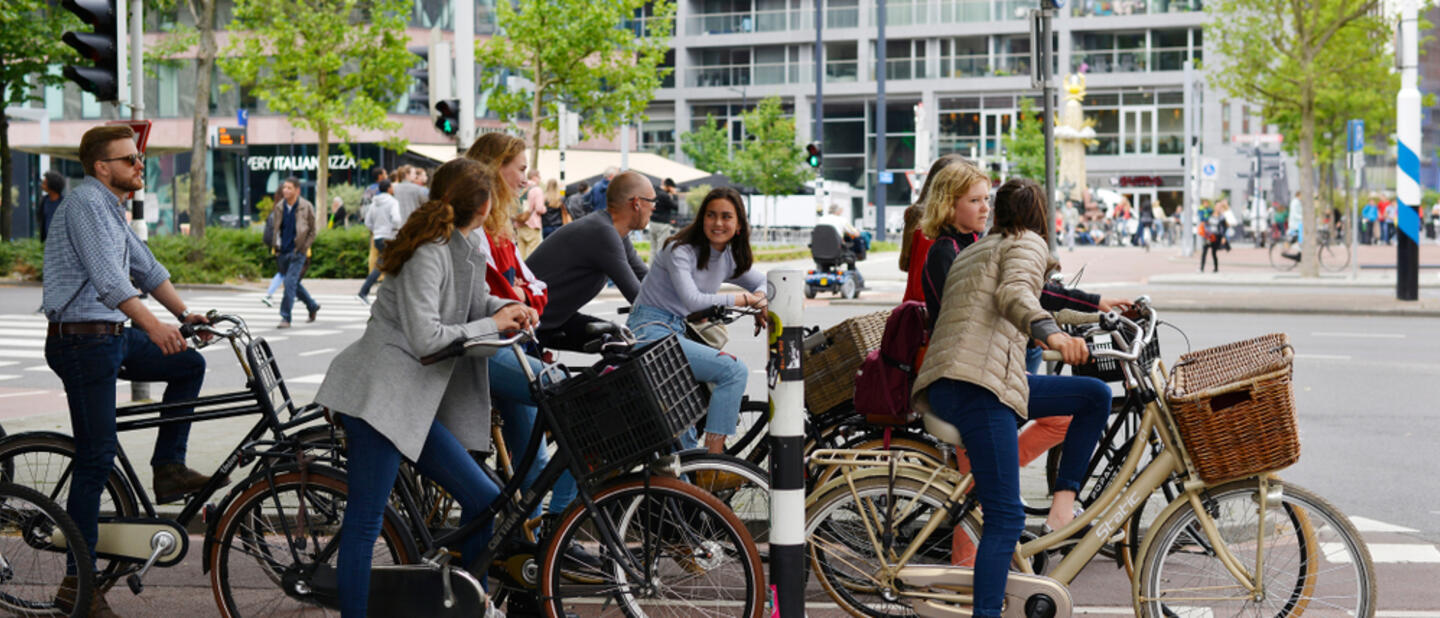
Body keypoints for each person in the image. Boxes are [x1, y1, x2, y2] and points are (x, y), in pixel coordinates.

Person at [315, 157, 527, 618]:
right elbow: (427, 336)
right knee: (365, 523)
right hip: (380, 398)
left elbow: (467, 303)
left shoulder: (464, 243)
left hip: (412, 403)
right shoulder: (430, 250)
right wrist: (492, 321)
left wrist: (506, 306)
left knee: (485, 500)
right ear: (485, 203)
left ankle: (471, 604)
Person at [43, 124, 222, 617]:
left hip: (112, 338)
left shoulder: (110, 209)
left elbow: (146, 267)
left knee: (189, 363)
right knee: (96, 458)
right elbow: (107, 279)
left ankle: (168, 468)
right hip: (82, 342)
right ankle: (77, 585)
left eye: (139, 159)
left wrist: (186, 315)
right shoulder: (84, 204)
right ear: (102, 168)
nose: (139, 166)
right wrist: (156, 325)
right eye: (130, 160)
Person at [911, 178, 1109, 618]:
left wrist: (1099, 313)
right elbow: (1016, 295)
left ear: (999, 211)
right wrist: (1051, 334)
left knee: (1093, 394)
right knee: (1004, 519)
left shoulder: (982, 248)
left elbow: (1031, 296)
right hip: (978, 386)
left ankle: (1062, 506)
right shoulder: (1027, 242)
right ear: (1040, 213)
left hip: (968, 380)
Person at [464, 133, 577, 519]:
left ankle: (535, 539)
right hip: (488, 347)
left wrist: (520, 295)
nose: (527, 180)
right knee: (566, 414)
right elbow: (503, 292)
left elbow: (533, 290)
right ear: (497, 169)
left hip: (505, 343)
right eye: (522, 169)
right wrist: (519, 296)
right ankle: (549, 536)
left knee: (529, 456)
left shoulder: (499, 226)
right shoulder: (477, 226)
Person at [627, 187, 767, 488]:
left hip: (672, 332)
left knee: (683, 442)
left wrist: (761, 300)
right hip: (649, 332)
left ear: (739, 224)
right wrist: (746, 301)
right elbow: (693, 301)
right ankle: (712, 468)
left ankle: (689, 503)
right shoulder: (680, 250)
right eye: (711, 215)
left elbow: (766, 281)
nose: (718, 223)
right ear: (701, 219)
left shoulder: (728, 256)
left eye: (726, 217)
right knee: (733, 370)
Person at [527, 171, 652, 352]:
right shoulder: (602, 232)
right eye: (652, 201)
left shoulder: (614, 232)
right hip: (529, 324)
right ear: (636, 203)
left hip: (554, 318)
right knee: (621, 346)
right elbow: (638, 297)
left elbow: (646, 277)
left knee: (618, 341)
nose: (654, 207)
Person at [900, 154, 970, 303]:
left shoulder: (917, 215)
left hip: (915, 310)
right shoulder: (934, 223)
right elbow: (924, 285)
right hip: (928, 314)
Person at [264, 177, 321, 328]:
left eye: (289, 188)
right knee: (292, 283)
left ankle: (285, 317)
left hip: (298, 251)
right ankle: (312, 306)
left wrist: (304, 247)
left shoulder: (306, 206)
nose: (285, 191)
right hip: (282, 251)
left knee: (289, 283)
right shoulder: (279, 207)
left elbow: (313, 230)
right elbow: (276, 229)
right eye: (284, 188)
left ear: (297, 190)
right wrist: (276, 247)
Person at [357, 179, 401, 305]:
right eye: (392, 187)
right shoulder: (393, 202)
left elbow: (367, 222)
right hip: (390, 237)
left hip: (377, 237)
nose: (393, 189)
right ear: (388, 189)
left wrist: (376, 230)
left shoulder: (374, 203)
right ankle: (363, 292)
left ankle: (391, 293)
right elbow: (397, 219)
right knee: (385, 265)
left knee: (390, 265)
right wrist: (394, 229)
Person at [514, 170, 545, 258]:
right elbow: (539, 209)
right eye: (539, 177)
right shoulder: (537, 190)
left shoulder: (521, 188)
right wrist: (544, 209)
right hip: (532, 225)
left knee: (521, 255)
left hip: (519, 224)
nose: (540, 179)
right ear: (534, 177)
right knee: (533, 255)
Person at [648, 178, 681, 252]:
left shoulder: (655, 191)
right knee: (661, 249)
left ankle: (652, 264)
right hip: (662, 225)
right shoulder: (665, 196)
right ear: (669, 186)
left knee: (653, 249)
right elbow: (676, 207)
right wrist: (675, 195)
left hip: (652, 222)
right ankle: (659, 264)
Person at [1198, 203, 1228, 272]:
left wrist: (1223, 237)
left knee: (1214, 253)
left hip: (1215, 237)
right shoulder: (1209, 214)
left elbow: (1224, 228)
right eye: (1217, 207)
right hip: (1208, 236)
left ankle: (1216, 268)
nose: (1218, 208)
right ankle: (1201, 268)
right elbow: (1203, 220)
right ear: (1214, 207)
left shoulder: (1222, 217)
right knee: (1204, 252)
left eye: (1220, 207)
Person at [39, 170, 66, 242]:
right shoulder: (44, 201)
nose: (42, 186)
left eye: (44, 183)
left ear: (52, 185)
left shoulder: (65, 203)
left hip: (61, 242)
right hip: (48, 241)